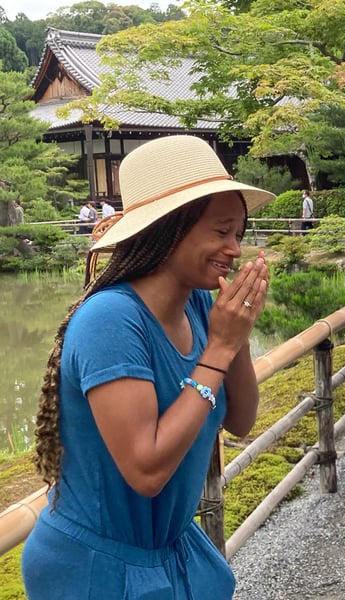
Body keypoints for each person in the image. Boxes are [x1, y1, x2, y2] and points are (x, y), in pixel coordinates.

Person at [21, 135, 275, 598]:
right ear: (169, 228)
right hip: (96, 566)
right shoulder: (111, 320)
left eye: (238, 234)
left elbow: (241, 421)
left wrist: (235, 335)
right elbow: (147, 471)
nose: (235, 250)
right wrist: (217, 349)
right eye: (221, 232)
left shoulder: (199, 305)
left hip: (170, 547)